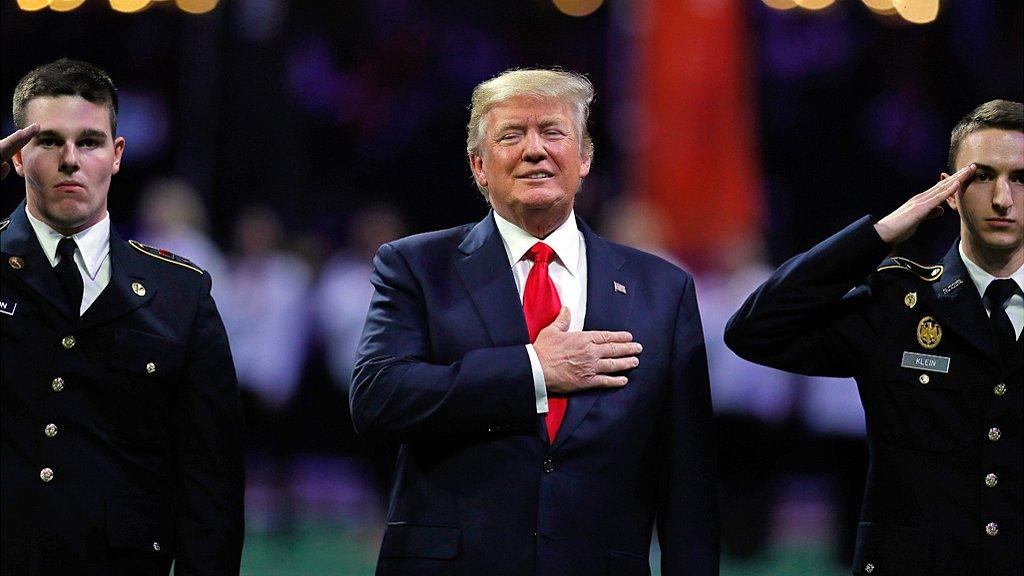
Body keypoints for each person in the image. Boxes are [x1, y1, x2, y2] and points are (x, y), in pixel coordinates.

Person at [350, 68, 719, 576]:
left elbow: (687, 476)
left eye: (553, 132)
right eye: (511, 135)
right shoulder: (415, 266)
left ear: (584, 158)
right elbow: (378, 398)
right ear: (479, 166)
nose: (534, 150)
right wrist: (533, 372)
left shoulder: (663, 289)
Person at [725, 100, 1023, 575]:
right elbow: (755, 330)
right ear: (949, 191)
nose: (1002, 198)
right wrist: (879, 235)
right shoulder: (899, 302)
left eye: (1020, 178)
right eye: (981, 176)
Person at [0, 59, 244, 576]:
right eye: (48, 142)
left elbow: (210, 484)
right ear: (17, 157)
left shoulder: (180, 292)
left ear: (116, 155)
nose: (70, 160)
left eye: (89, 142)